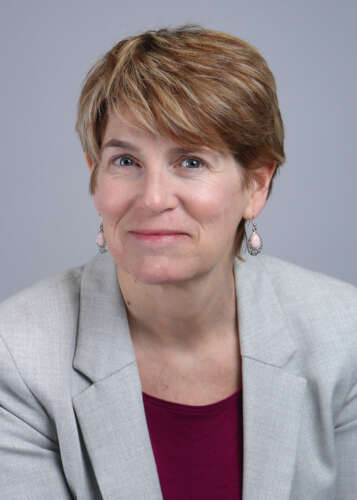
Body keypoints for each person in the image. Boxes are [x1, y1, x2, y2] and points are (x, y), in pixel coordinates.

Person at [0, 24, 356, 500]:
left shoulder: (344, 336)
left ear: (256, 185)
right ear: (95, 178)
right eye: (125, 162)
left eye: (190, 161)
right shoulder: (17, 355)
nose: (152, 199)